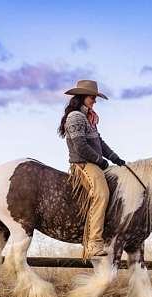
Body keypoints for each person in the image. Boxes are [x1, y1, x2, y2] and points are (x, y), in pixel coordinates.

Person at [58, 80, 126, 258]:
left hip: (94, 163)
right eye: (91, 97)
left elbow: (99, 142)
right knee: (101, 194)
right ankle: (94, 243)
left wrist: (115, 158)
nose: (94, 101)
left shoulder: (88, 117)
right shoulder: (75, 117)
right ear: (81, 97)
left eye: (95, 98)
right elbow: (80, 146)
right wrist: (100, 161)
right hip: (83, 164)